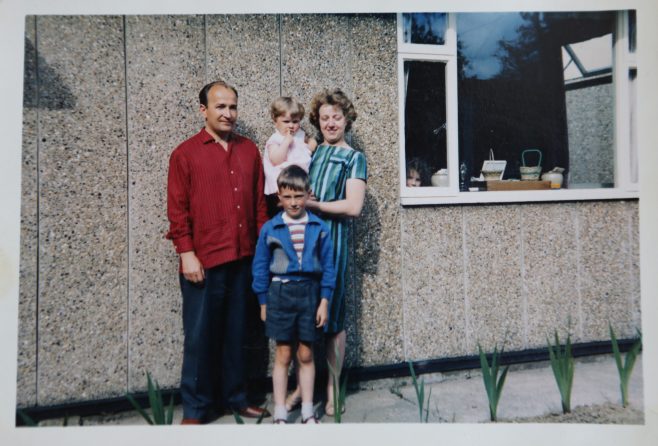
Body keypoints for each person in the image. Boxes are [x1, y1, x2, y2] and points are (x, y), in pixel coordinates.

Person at [166, 80, 270, 424]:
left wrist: (261, 255)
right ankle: (196, 410)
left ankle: (237, 398)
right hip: (205, 261)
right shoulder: (185, 154)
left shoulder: (249, 150)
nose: (228, 113)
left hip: (243, 257)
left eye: (233, 107)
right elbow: (177, 210)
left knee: (238, 333)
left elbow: (258, 207)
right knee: (199, 337)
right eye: (221, 106)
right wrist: (186, 253)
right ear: (204, 110)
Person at [284, 89, 367, 417]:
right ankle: (300, 389)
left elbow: (354, 206)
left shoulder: (354, 157)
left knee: (332, 320)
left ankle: (333, 390)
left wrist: (314, 204)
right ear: (318, 122)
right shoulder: (311, 153)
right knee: (302, 318)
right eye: (324, 118)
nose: (331, 123)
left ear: (346, 119)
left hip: (333, 245)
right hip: (302, 244)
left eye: (337, 117)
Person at [252, 165, 336, 424]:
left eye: (298, 196)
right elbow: (260, 267)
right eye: (287, 197)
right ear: (279, 197)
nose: (293, 202)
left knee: (306, 354)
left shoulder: (318, 227)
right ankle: (280, 411)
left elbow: (329, 268)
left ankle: (308, 411)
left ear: (308, 194)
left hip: (310, 294)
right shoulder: (270, 228)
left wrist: (324, 301)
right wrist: (263, 301)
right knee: (283, 353)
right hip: (280, 294)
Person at [262, 97, 317, 217]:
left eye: (295, 121)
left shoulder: (300, 135)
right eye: (286, 121)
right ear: (275, 121)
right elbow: (276, 159)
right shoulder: (275, 139)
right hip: (279, 189)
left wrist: (311, 144)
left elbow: (309, 145)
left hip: (299, 185)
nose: (291, 126)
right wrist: (286, 142)